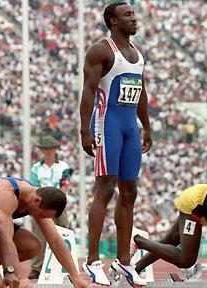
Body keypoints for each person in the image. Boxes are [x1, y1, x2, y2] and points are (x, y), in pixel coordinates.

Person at [79, 2, 152, 286]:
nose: (134, 19)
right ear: (113, 21)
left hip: (129, 127)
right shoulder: (101, 50)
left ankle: (124, 262)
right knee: (105, 188)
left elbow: (141, 92)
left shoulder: (137, 54)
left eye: (133, 14)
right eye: (127, 15)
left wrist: (146, 126)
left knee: (130, 191)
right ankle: (92, 261)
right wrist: (84, 130)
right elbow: (88, 91)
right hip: (107, 123)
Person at [0, 177, 89, 288]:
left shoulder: (36, 197)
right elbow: (6, 241)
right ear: (37, 200)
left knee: (33, 246)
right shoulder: (5, 194)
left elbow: (56, 241)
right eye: (42, 215)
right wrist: (21, 277)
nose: (41, 219)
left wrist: (75, 277)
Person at [28, 135, 73, 280]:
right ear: (42, 150)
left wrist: (60, 198)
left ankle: (65, 267)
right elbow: (33, 186)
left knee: (63, 233)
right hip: (41, 205)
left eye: (51, 148)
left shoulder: (64, 166)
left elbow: (65, 183)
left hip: (59, 204)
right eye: (45, 149)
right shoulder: (36, 168)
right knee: (39, 236)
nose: (48, 151)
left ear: (55, 149)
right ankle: (37, 268)